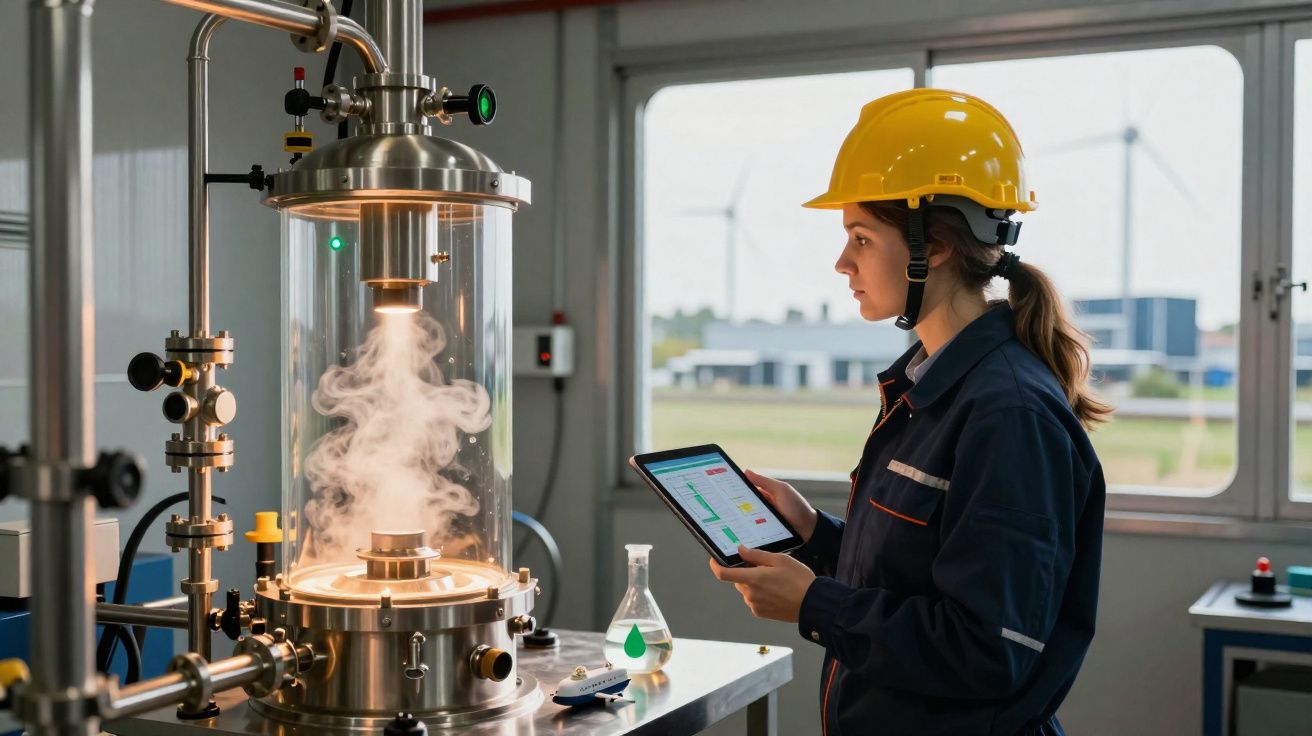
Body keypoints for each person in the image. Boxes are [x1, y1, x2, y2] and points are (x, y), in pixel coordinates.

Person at [708, 89, 1109, 736]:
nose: (842, 263)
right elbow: (910, 583)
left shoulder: (1008, 415)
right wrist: (814, 535)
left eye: (861, 238)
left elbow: (987, 651)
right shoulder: (927, 390)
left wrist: (814, 603)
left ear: (937, 244)